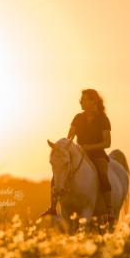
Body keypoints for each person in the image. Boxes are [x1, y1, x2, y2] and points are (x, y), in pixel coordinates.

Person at [41, 89, 113, 221]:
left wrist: (90, 147)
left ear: (94, 101)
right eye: (81, 99)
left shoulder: (103, 119)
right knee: (57, 173)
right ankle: (52, 207)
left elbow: (107, 143)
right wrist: (63, 147)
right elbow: (70, 136)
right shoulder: (78, 118)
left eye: (85, 99)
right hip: (79, 153)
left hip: (97, 154)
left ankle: (109, 211)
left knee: (102, 173)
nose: (81, 102)